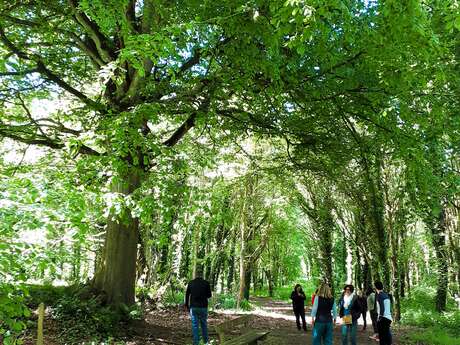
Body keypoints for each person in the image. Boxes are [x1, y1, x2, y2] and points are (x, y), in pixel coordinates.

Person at [185, 267, 212, 345]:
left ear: (195, 275)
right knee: (204, 324)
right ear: (202, 275)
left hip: (193, 307)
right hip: (203, 307)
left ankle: (196, 343)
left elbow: (187, 295)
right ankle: (206, 342)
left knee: (195, 325)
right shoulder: (206, 283)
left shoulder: (191, 283)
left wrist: (187, 305)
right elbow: (209, 295)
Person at [375, 281, 393, 345]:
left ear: (375, 287)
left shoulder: (379, 295)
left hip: (383, 318)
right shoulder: (386, 295)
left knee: (382, 337)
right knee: (387, 335)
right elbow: (390, 307)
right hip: (388, 317)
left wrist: (380, 317)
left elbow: (382, 307)